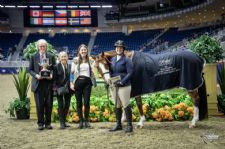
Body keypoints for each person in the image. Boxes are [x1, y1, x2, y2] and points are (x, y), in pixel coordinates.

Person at [29, 39, 56, 130]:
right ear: (38, 47)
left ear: (46, 47)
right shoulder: (33, 56)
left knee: (49, 104)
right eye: (40, 46)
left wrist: (51, 74)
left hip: (48, 83)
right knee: (39, 104)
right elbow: (30, 70)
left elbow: (54, 68)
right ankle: (40, 123)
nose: (42, 48)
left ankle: (48, 123)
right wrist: (36, 75)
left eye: (44, 46)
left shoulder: (51, 56)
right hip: (38, 83)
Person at [109, 40, 134, 133]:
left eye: (120, 48)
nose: (118, 49)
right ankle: (118, 124)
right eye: (117, 47)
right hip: (114, 85)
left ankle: (129, 125)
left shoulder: (127, 59)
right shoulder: (113, 59)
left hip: (124, 85)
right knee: (117, 105)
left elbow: (130, 73)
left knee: (125, 104)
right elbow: (112, 72)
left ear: (123, 49)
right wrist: (109, 81)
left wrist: (122, 82)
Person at [70, 44, 96, 129]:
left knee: (87, 102)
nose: (83, 51)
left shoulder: (91, 60)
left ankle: (86, 121)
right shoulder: (75, 60)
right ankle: (81, 121)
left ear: (87, 51)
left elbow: (94, 70)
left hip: (87, 82)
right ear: (79, 51)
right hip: (78, 82)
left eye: (85, 50)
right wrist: (71, 83)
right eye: (82, 50)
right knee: (79, 103)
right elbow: (72, 72)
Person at [54, 51, 71, 129]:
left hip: (68, 89)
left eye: (65, 56)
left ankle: (64, 121)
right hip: (59, 89)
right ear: (59, 58)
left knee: (67, 105)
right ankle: (61, 123)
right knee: (60, 105)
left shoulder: (69, 66)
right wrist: (55, 89)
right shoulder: (56, 67)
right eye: (62, 57)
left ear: (67, 57)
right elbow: (54, 79)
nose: (64, 58)